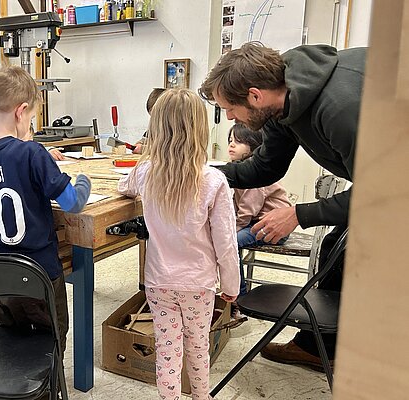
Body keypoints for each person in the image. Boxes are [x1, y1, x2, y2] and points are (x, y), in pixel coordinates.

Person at [199, 42, 363, 371]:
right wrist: (204, 175)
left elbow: (383, 192)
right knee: (336, 249)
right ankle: (319, 349)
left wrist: (300, 214)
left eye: (231, 107)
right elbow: (265, 167)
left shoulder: (339, 109)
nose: (229, 117)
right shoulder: (281, 103)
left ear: (255, 95)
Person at [0, 66, 92, 359]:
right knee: (48, 346)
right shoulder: (30, 153)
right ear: (21, 111)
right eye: (30, 117)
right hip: (38, 274)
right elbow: (72, 203)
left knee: (8, 344)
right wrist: (83, 180)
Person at [118, 88, 239, 400]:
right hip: (198, 284)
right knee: (197, 347)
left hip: (159, 282)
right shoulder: (214, 180)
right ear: (201, 129)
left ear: (156, 129)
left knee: (167, 350)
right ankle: (201, 396)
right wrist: (232, 284)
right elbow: (226, 242)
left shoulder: (145, 172)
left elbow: (124, 185)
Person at [227, 124, 291, 297]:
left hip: (275, 226)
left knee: (232, 242)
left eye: (238, 141)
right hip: (256, 222)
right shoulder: (236, 167)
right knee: (227, 238)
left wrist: (233, 228)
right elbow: (235, 202)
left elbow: (248, 207)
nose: (231, 145)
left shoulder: (254, 170)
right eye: (230, 140)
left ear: (254, 144)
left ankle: (238, 297)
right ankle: (232, 291)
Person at [132, 87, 166, 154]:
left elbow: (167, 150)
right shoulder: (153, 130)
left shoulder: (175, 132)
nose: (154, 120)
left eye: (157, 116)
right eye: (152, 116)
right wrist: (139, 144)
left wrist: (144, 149)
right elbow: (145, 140)